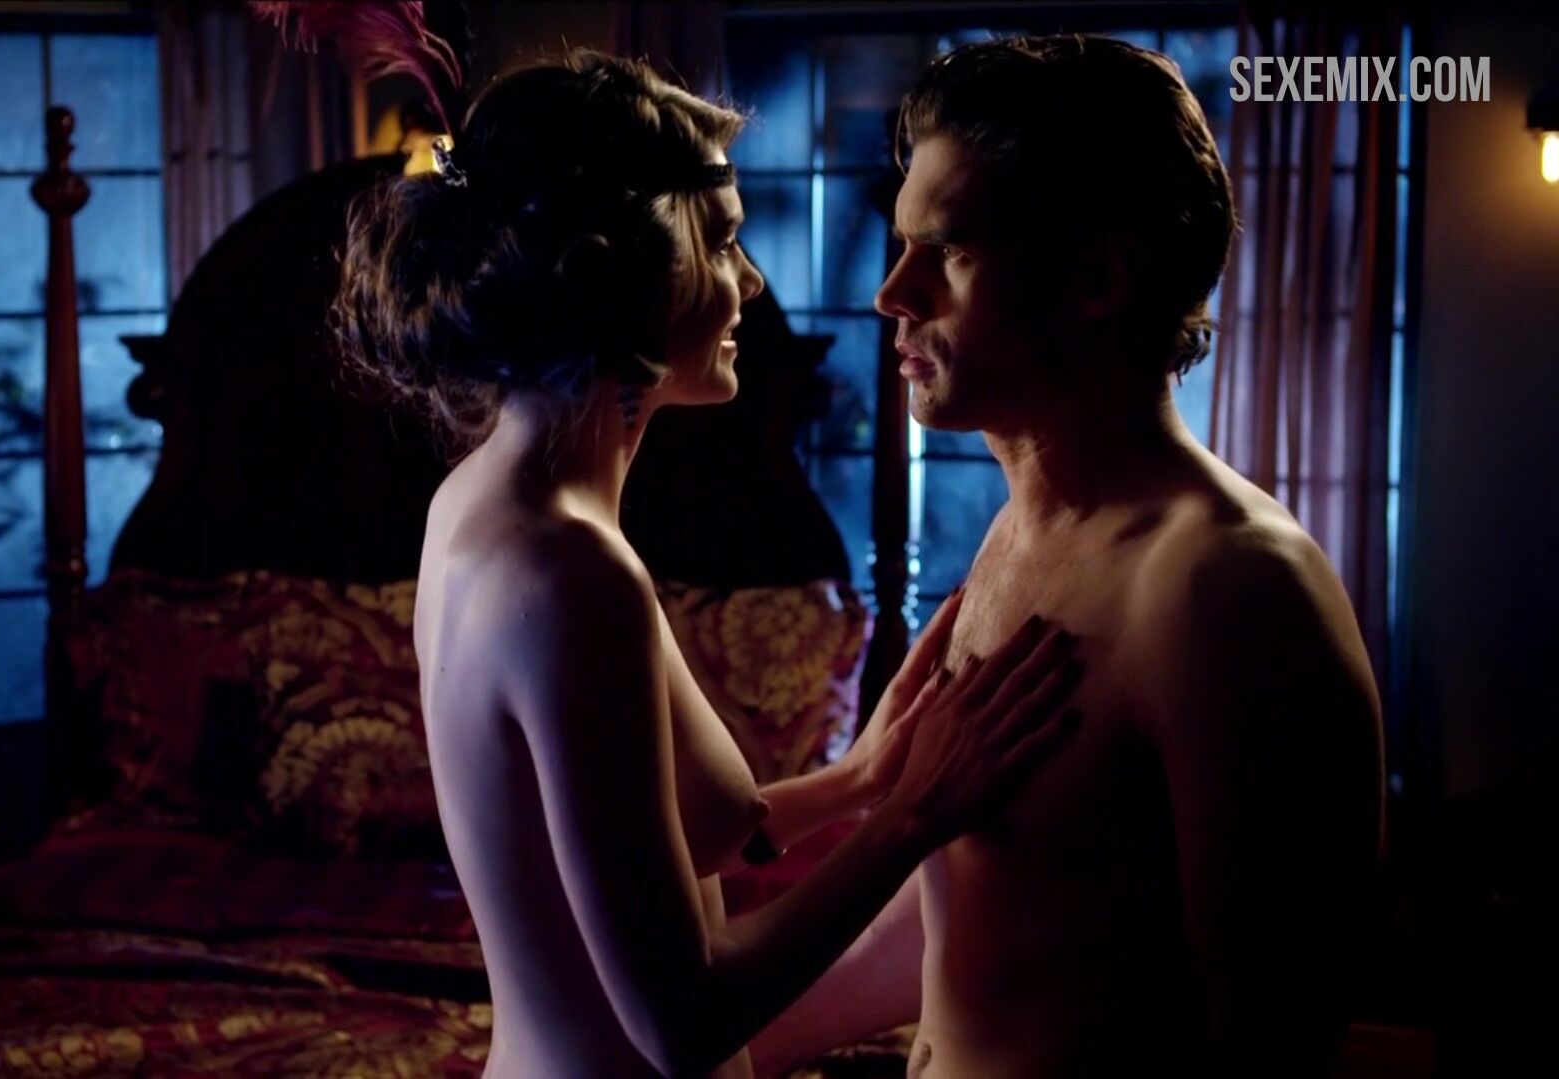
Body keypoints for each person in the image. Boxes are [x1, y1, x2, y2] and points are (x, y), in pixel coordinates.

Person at [335, 51, 1086, 1079]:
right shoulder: (573, 576)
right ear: (623, 272)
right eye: (725, 240)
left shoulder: (480, 503)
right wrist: (917, 814)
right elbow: (683, 1021)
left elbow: (663, 838)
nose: (753, 282)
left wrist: (861, 777)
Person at [748, 35, 1387, 1079]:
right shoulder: (1020, 532)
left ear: (1098, 278)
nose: (892, 292)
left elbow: (1274, 1030)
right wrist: (725, 1051)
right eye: (900, 245)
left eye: (946, 250)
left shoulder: (1229, 588)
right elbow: (976, 926)